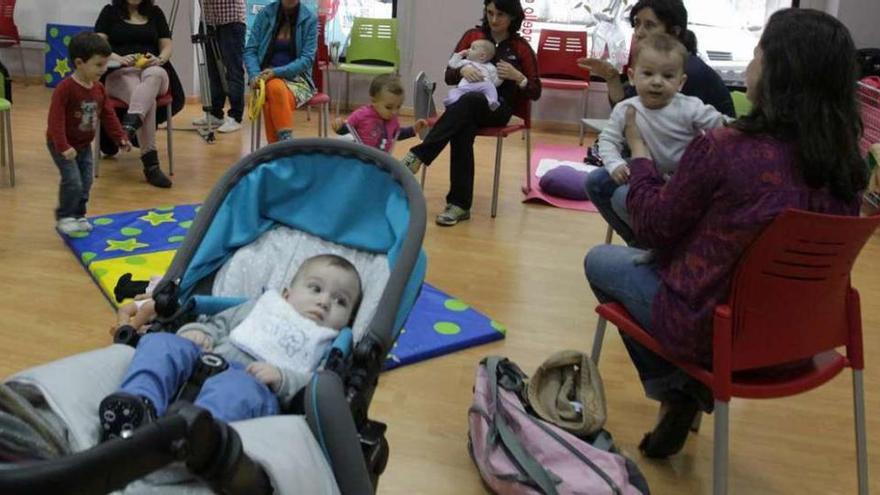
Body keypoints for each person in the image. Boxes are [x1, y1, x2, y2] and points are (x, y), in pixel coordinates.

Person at [583, 8, 866, 458]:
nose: (751, 65)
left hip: (717, 332)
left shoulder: (723, 149)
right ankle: (682, 391)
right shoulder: (849, 166)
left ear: (778, 72)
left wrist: (639, 155)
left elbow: (654, 227)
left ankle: (678, 390)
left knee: (598, 260)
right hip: (802, 339)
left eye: (757, 54)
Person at [98, 254, 362, 439]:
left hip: (252, 386)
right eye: (315, 288)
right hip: (205, 358)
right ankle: (139, 403)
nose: (325, 301)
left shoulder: (327, 344)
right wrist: (197, 332)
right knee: (160, 343)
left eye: (340, 301)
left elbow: (317, 386)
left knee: (237, 390)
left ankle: (198, 435)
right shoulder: (260, 307)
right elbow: (217, 324)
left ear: (349, 319)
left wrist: (283, 378)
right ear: (286, 294)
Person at [580, 0, 734, 244]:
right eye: (637, 24)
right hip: (653, 161)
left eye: (649, 25)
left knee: (620, 195)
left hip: (688, 176)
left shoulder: (688, 77)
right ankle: (644, 244)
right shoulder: (651, 67)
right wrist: (611, 76)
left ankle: (652, 245)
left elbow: (723, 127)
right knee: (598, 181)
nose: (639, 32)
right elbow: (628, 108)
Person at [400, 0, 541, 226]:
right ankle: (459, 205)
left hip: (498, 108)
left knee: (468, 103)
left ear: (513, 17)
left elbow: (535, 91)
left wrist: (518, 76)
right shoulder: (472, 36)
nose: (494, 20)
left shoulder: (520, 47)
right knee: (462, 126)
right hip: (465, 106)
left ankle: (418, 156)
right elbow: (449, 75)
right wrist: (461, 68)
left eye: (501, 15)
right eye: (490, 13)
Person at [47, 32, 132, 235]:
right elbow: (55, 121)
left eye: (105, 64)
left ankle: (78, 215)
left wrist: (120, 136)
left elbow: (108, 114)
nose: (103, 70)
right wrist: (63, 146)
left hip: (84, 144)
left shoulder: (99, 89)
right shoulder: (65, 89)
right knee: (73, 180)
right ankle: (65, 216)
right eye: (98, 65)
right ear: (79, 63)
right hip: (63, 144)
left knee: (86, 181)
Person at [95, 0, 180, 189]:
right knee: (143, 98)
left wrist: (159, 59)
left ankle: (129, 127)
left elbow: (166, 45)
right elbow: (98, 45)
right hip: (120, 72)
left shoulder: (155, 13)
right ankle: (151, 165)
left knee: (155, 75)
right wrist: (119, 58)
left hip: (153, 72)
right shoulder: (109, 13)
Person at [244, 0, 317, 144]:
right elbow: (250, 50)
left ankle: (279, 150)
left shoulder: (310, 18)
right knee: (274, 90)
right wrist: (254, 74)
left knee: (272, 94)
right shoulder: (265, 14)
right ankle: (284, 148)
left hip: (298, 79)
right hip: (264, 78)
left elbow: (307, 59)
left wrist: (276, 72)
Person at [331, 74, 427, 153]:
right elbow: (348, 129)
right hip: (361, 159)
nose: (394, 112)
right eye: (388, 107)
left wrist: (414, 129)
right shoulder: (362, 115)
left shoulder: (393, 120)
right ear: (374, 101)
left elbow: (397, 134)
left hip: (382, 161)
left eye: (398, 106)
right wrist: (339, 126)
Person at [195, 0, 247, 134]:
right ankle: (215, 113)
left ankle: (235, 116)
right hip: (208, 21)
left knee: (233, 70)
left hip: (231, 20)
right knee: (213, 71)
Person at [443, 39, 502, 110]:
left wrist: (501, 77)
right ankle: (452, 100)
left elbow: (495, 82)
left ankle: (492, 101)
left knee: (490, 87)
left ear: (482, 56)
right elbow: (452, 64)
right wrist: (460, 54)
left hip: (481, 87)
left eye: (472, 48)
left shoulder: (490, 67)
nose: (468, 50)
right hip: (466, 86)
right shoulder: (465, 62)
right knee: (454, 91)